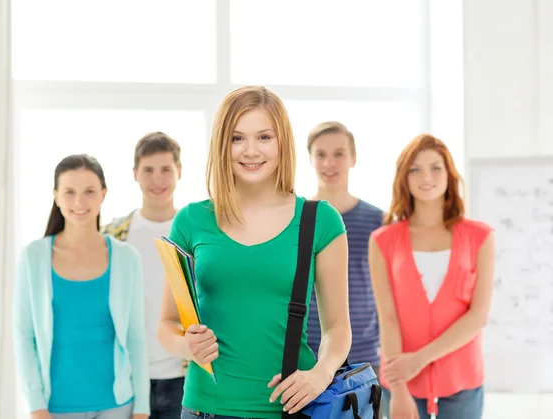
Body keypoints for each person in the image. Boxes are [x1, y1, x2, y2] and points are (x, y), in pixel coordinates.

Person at [157, 86, 352, 419]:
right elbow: (167, 324)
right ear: (222, 144)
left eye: (264, 137)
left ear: (282, 144)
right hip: (205, 409)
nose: (250, 151)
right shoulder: (190, 221)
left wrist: (321, 374)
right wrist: (185, 345)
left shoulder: (321, 221)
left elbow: (337, 327)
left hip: (292, 409)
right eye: (237, 138)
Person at [13, 154, 150, 419]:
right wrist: (36, 406)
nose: (79, 202)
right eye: (69, 192)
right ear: (56, 196)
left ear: (103, 194)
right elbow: (23, 334)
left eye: (89, 191)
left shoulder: (126, 257)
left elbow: (136, 335)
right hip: (54, 408)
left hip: (117, 405)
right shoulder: (33, 256)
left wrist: (142, 409)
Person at [368, 134, 495, 419]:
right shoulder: (382, 240)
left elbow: (478, 316)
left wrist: (419, 360)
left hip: (462, 378)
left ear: (449, 174)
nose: (426, 177)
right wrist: (399, 388)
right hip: (401, 381)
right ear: (404, 177)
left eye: (436, 167)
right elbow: (387, 316)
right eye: (415, 169)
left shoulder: (480, 237)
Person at [103, 132, 186, 418]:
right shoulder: (114, 235)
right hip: (125, 376)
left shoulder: (195, 233)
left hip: (184, 376)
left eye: (166, 169)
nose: (157, 179)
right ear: (135, 174)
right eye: (148, 170)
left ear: (179, 172)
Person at [305, 121, 384, 371]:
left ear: (353, 158)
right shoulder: (295, 218)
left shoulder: (378, 221)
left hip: (366, 357)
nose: (329, 163)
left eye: (339, 154)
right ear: (310, 159)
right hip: (306, 356)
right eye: (321, 155)